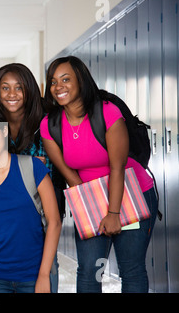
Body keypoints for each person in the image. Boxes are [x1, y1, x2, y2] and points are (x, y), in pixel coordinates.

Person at [40, 56, 158, 293]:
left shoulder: (107, 112)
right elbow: (69, 174)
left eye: (66, 79)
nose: (58, 87)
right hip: (90, 196)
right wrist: (91, 207)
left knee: (131, 269)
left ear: (81, 81)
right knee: (88, 270)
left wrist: (113, 213)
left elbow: (118, 167)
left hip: (131, 193)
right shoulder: (49, 124)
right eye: (53, 82)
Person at [0, 107, 61, 293]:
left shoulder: (32, 167)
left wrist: (43, 275)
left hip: (33, 275)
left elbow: (55, 223)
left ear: (4, 132)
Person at [0, 63, 66, 292]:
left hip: (42, 212)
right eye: (5, 88)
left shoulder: (47, 122)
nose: (11, 94)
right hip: (8, 215)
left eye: (18, 88)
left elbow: (47, 170)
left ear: (29, 90)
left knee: (45, 270)